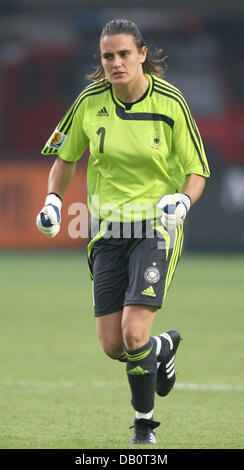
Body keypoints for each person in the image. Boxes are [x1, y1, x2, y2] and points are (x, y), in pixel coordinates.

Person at [36, 18, 210, 445]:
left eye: (124, 54)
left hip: (155, 228)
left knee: (134, 333)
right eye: (107, 56)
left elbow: (197, 170)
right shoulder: (90, 102)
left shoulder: (170, 103)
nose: (116, 63)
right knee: (115, 345)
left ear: (142, 54)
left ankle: (144, 427)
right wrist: (54, 200)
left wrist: (183, 201)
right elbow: (65, 156)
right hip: (108, 233)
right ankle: (163, 349)